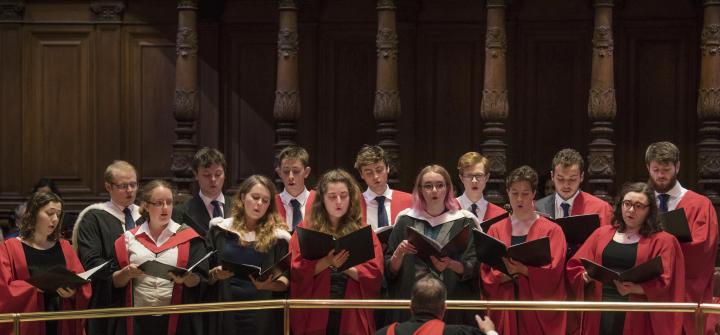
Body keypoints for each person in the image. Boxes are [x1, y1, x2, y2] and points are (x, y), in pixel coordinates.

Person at [566, 182, 685, 335]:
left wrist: (636, 288)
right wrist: (584, 276)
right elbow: (575, 265)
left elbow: (667, 280)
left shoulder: (663, 241)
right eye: (627, 203)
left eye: (638, 206)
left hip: (637, 311)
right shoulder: (601, 234)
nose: (631, 210)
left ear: (650, 211)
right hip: (600, 307)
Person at [289, 169, 384, 335]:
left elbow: (375, 274)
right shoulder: (306, 229)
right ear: (322, 199)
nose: (339, 201)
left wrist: (343, 265)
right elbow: (296, 270)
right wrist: (327, 262)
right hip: (316, 306)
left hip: (350, 308)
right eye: (332, 196)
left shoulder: (363, 231)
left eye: (344, 195)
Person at [385, 165, 479, 326]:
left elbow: (474, 266)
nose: (434, 190)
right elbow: (389, 271)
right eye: (428, 186)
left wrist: (451, 264)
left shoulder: (464, 221)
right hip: (411, 306)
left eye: (440, 185)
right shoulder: (405, 220)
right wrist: (398, 254)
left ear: (448, 189)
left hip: (451, 306)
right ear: (420, 190)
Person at [112, 180, 208, 335]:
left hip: (176, 319)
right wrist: (126, 273)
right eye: (158, 203)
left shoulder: (188, 237)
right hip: (136, 319)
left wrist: (186, 279)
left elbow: (202, 279)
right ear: (146, 206)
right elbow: (113, 283)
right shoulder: (128, 239)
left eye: (169, 203)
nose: (165, 208)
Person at [480, 165, 567, 335]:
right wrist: (503, 275)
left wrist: (524, 270)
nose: (519, 199)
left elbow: (555, 272)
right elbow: (485, 272)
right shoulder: (495, 230)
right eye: (514, 193)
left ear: (534, 194)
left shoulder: (552, 230)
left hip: (536, 309)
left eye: (525, 194)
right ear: (508, 192)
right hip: (506, 305)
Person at [645, 141, 718, 335]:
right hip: (643, 292)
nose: (661, 175)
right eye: (656, 169)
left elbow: (702, 250)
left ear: (677, 167)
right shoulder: (637, 202)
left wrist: (662, 252)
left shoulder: (700, 204)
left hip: (683, 291)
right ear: (648, 168)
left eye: (666, 169)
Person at [206, 175, 290, 335]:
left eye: (265, 201)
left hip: (262, 314)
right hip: (226, 310)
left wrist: (267, 285)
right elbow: (204, 276)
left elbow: (285, 280)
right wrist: (215, 274)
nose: (259, 203)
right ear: (243, 197)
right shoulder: (221, 230)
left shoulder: (278, 238)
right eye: (255, 197)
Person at [0, 191, 91, 335]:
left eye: (58, 215)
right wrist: (33, 287)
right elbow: (4, 289)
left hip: (61, 321)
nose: (55, 219)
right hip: (30, 323)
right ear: (33, 213)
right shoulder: (9, 247)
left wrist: (73, 293)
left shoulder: (65, 247)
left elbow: (82, 283)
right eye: (49, 213)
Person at [72, 160, 141, 335]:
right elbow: (91, 261)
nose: (130, 190)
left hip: (143, 297)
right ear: (108, 186)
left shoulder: (145, 215)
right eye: (123, 186)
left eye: (133, 184)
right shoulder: (93, 217)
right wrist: (121, 273)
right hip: (108, 299)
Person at [377, 276, 498, 335]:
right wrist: (489, 331)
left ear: (411, 306)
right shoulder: (460, 333)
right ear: (444, 308)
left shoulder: (384, 333)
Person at [535, 149, 613, 225]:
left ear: (581, 177)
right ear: (552, 176)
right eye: (560, 179)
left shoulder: (601, 209)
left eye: (572, 179)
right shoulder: (537, 208)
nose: (566, 185)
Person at [172, 147, 232, 236]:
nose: (213, 179)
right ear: (196, 175)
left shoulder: (238, 207)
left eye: (218, 174)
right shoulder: (181, 212)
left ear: (225, 174)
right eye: (206, 175)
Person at [355, 145, 412, 229]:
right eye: (369, 172)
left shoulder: (409, 200)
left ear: (388, 168)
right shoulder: (354, 205)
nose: (375, 176)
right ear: (361, 175)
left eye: (379, 170)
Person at [455, 152, 507, 221]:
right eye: (469, 176)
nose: (474, 181)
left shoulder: (500, 215)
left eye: (479, 175)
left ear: (487, 177)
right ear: (461, 178)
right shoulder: (447, 209)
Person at [275, 145, 316, 231]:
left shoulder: (318, 201)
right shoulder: (271, 203)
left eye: (296, 171)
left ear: (306, 172)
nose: (290, 176)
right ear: (279, 173)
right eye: (286, 171)